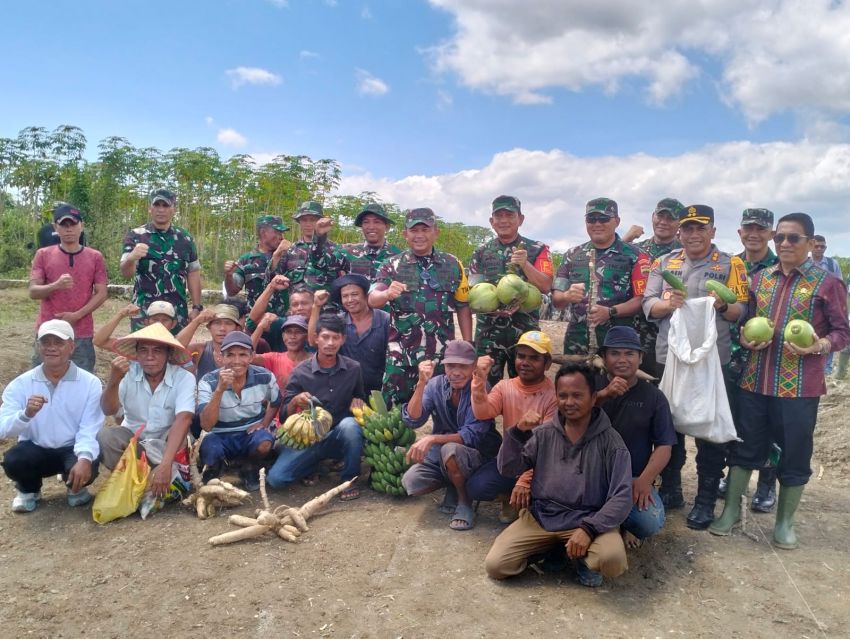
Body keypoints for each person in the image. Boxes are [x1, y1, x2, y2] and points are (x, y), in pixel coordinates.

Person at [710, 213, 850, 548]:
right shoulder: (761, 279)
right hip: (756, 380)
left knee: (795, 454)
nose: (785, 244)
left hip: (800, 387)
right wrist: (745, 336)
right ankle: (730, 512)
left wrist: (819, 346)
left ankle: (784, 523)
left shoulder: (827, 283)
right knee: (745, 447)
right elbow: (747, 320)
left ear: (811, 243)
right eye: (781, 238)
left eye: (794, 238)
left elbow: (843, 331)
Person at [642, 204, 748, 529]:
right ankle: (672, 488)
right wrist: (665, 303)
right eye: (687, 228)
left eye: (701, 228)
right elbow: (648, 304)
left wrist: (724, 305)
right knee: (668, 425)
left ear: (713, 231)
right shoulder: (664, 263)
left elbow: (740, 311)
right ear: (680, 232)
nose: (693, 234)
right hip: (668, 357)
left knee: (709, 431)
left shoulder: (731, 264)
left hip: (712, 362)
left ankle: (704, 500)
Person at [484, 363, 632, 588]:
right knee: (496, 566)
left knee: (612, 560)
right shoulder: (543, 434)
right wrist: (516, 433)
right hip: (541, 517)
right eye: (563, 395)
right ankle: (552, 548)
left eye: (577, 395)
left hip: (586, 519)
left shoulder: (612, 442)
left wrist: (589, 529)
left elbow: (621, 496)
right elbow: (508, 468)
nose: (569, 402)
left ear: (593, 398)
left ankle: (580, 556)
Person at [369, 207, 472, 407]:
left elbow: (463, 306)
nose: (419, 235)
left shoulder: (453, 264)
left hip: (442, 356)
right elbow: (372, 299)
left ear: (436, 232)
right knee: (393, 414)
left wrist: (467, 346)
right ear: (405, 234)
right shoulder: (392, 265)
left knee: (447, 409)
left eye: (425, 230)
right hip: (402, 355)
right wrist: (386, 294)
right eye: (414, 230)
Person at [0, 320, 103, 512]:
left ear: (71, 347)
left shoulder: (90, 383)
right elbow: (3, 428)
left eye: (59, 342)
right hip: (36, 449)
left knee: (92, 457)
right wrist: (25, 414)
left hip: (71, 448)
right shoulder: (21, 384)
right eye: (46, 343)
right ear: (38, 347)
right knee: (15, 459)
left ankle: (75, 486)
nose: (52, 348)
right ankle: (28, 490)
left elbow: (89, 427)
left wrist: (84, 459)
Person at [401, 340, 502, 530]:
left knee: (451, 450)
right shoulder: (436, 384)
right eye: (450, 366)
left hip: (478, 454)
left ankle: (465, 502)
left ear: (474, 366)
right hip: (444, 455)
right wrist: (422, 383)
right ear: (443, 366)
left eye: (463, 366)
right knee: (412, 483)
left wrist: (431, 438)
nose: (455, 372)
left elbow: (471, 436)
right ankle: (454, 485)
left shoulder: (480, 386)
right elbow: (413, 420)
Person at [266, 314, 366, 500]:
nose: (330, 343)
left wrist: (358, 401)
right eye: (325, 337)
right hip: (307, 438)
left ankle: (349, 480)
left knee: (350, 425)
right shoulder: (300, 372)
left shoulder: (354, 369)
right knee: (276, 480)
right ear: (316, 339)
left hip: (337, 437)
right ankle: (314, 464)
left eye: (335, 338)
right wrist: (295, 401)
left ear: (342, 339)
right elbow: (284, 415)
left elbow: (359, 395)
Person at [595, 326, 676, 546]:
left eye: (629, 353)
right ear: (603, 357)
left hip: (631, 480)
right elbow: (569, 419)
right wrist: (603, 395)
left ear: (640, 358)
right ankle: (609, 527)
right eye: (615, 353)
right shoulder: (590, 386)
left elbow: (664, 445)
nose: (622, 359)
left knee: (648, 522)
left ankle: (623, 524)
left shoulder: (654, 397)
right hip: (589, 476)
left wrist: (645, 480)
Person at [469, 330, 558, 524]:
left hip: (541, 466)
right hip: (510, 460)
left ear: (547, 364)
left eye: (534, 358)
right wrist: (478, 380)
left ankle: (524, 501)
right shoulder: (505, 386)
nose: (525, 362)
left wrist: (525, 480)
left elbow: (547, 447)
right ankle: (511, 498)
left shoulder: (553, 396)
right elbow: (482, 412)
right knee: (476, 487)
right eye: (521, 356)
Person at [99, 323, 196, 497]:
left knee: (184, 440)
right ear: (137, 354)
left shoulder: (184, 378)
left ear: (168, 354)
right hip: (135, 441)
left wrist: (165, 464)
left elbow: (184, 419)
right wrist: (113, 380)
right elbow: (108, 409)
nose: (150, 357)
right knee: (106, 437)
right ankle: (138, 480)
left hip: (168, 442)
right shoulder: (126, 373)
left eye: (157, 351)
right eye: (143, 350)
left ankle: (159, 477)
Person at [724, 208, 779, 512]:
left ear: (771, 233)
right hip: (733, 356)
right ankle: (733, 479)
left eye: (761, 229)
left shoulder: (780, 266)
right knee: (734, 422)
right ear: (740, 232)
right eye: (749, 228)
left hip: (768, 360)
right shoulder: (732, 266)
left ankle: (767, 484)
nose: (754, 234)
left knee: (768, 425)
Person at [468, 195, 554, 386]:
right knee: (485, 388)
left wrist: (525, 265)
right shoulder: (480, 252)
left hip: (525, 336)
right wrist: (492, 307)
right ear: (492, 221)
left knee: (526, 389)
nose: (504, 220)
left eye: (510, 215)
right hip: (489, 335)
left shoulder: (538, 249)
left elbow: (546, 285)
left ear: (520, 219)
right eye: (499, 216)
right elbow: (474, 294)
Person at [551, 198, 650, 358]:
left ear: (617, 221)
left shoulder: (636, 256)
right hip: (577, 342)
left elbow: (642, 299)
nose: (597, 224)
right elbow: (557, 300)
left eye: (604, 218)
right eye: (591, 219)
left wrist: (610, 312)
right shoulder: (572, 255)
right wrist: (566, 296)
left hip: (618, 345)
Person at [28, 203, 108, 372]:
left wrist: (77, 315)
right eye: (64, 225)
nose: (69, 229)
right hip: (48, 329)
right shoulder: (43, 255)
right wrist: (55, 285)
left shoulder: (95, 257)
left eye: (73, 224)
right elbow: (33, 292)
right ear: (56, 227)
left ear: (81, 226)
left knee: (82, 380)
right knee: (42, 378)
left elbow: (102, 293)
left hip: (81, 331)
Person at [197, 332, 281, 491]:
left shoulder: (264, 376)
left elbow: (276, 401)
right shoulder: (208, 381)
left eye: (243, 355)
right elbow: (207, 425)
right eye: (230, 355)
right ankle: (218, 467)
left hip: (249, 433)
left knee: (264, 442)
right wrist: (220, 390)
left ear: (251, 356)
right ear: (220, 357)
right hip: (219, 433)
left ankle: (249, 467)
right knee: (210, 450)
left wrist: (264, 423)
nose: (237, 361)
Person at [120, 188, 202, 330]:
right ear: (149, 209)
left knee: (176, 350)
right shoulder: (136, 236)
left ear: (174, 209)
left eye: (166, 206)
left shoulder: (185, 238)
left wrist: (196, 307)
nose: (161, 210)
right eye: (156, 205)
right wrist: (131, 258)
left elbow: (193, 273)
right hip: (144, 311)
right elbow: (126, 274)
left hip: (177, 312)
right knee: (145, 351)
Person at [626, 198, 685, 377]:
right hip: (632, 334)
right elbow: (609, 259)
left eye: (671, 218)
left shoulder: (685, 253)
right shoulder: (635, 250)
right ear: (653, 216)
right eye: (660, 216)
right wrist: (627, 237)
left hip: (667, 338)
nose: (664, 222)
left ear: (680, 224)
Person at [309, 274, 391, 394]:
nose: (350, 300)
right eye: (345, 296)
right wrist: (316, 306)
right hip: (346, 390)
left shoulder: (385, 320)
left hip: (380, 392)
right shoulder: (338, 322)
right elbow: (313, 341)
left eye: (354, 294)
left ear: (366, 296)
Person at [267, 200, 348, 296]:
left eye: (312, 219)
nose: (308, 224)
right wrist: (276, 256)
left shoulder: (335, 250)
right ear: (299, 222)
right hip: (297, 308)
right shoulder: (290, 250)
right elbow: (271, 281)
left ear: (320, 222)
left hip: (327, 308)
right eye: (304, 220)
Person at [224, 214, 291, 312]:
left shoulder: (288, 256)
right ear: (263, 233)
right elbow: (232, 291)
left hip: (284, 320)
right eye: (276, 232)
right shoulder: (246, 260)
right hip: (255, 319)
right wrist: (228, 275)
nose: (281, 237)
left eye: (281, 233)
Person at [334, 203, 401, 281]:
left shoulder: (399, 256)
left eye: (377, 222)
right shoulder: (346, 254)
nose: (371, 227)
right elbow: (321, 265)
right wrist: (320, 236)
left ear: (387, 227)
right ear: (361, 226)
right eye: (366, 222)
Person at [177, 303, 242, 380]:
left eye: (228, 323)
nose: (222, 328)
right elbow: (176, 348)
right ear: (209, 327)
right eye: (217, 323)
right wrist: (196, 321)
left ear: (237, 328)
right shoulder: (200, 349)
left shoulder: (244, 352)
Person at [251, 314, 311, 391]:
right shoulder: (275, 359)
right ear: (283, 336)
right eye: (288, 332)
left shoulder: (315, 361)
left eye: (298, 332)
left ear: (306, 336)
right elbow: (248, 357)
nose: (292, 336)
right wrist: (260, 327)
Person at [93, 300, 179, 351]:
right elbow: (99, 341)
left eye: (165, 320)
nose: (159, 323)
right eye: (155, 319)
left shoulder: (177, 347)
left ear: (173, 324)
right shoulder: (136, 344)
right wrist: (120, 315)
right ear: (146, 322)